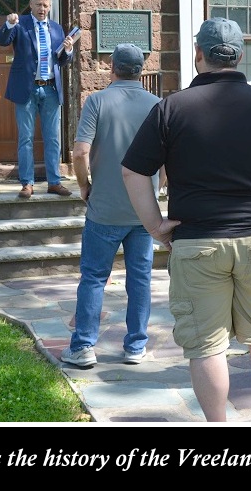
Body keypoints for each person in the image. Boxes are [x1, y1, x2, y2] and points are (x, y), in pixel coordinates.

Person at [121, 18, 251, 422]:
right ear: (241, 56)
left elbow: (134, 172)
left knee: (206, 346)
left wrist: (155, 226)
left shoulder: (171, 107)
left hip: (197, 242)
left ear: (198, 55)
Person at [60, 44, 162, 368]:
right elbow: (168, 157)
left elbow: (79, 152)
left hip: (104, 206)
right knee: (141, 278)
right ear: (141, 69)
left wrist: (83, 185)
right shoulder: (157, 105)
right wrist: (160, 188)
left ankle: (83, 347)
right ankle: (135, 346)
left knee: (93, 277)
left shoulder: (97, 101)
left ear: (112, 68)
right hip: (143, 210)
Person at [0, 0, 78, 199]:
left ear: (50, 7)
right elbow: (1, 41)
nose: (42, 9)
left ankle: (54, 182)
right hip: (27, 89)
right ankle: (27, 183)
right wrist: (8, 24)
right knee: (26, 138)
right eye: (39, 4)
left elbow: (61, 60)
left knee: (53, 139)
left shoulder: (57, 28)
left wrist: (68, 50)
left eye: (46, 5)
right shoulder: (20, 23)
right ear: (31, 5)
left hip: (50, 88)